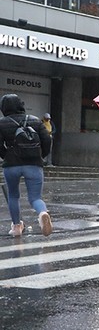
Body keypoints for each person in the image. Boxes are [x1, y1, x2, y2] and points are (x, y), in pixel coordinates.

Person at [1, 94, 53, 237]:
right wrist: (40, 155)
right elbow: (47, 140)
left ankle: (17, 227)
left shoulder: (2, 123)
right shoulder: (35, 120)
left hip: (11, 165)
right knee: (35, 198)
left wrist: (6, 155)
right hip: (33, 164)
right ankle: (42, 213)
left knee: (13, 195)